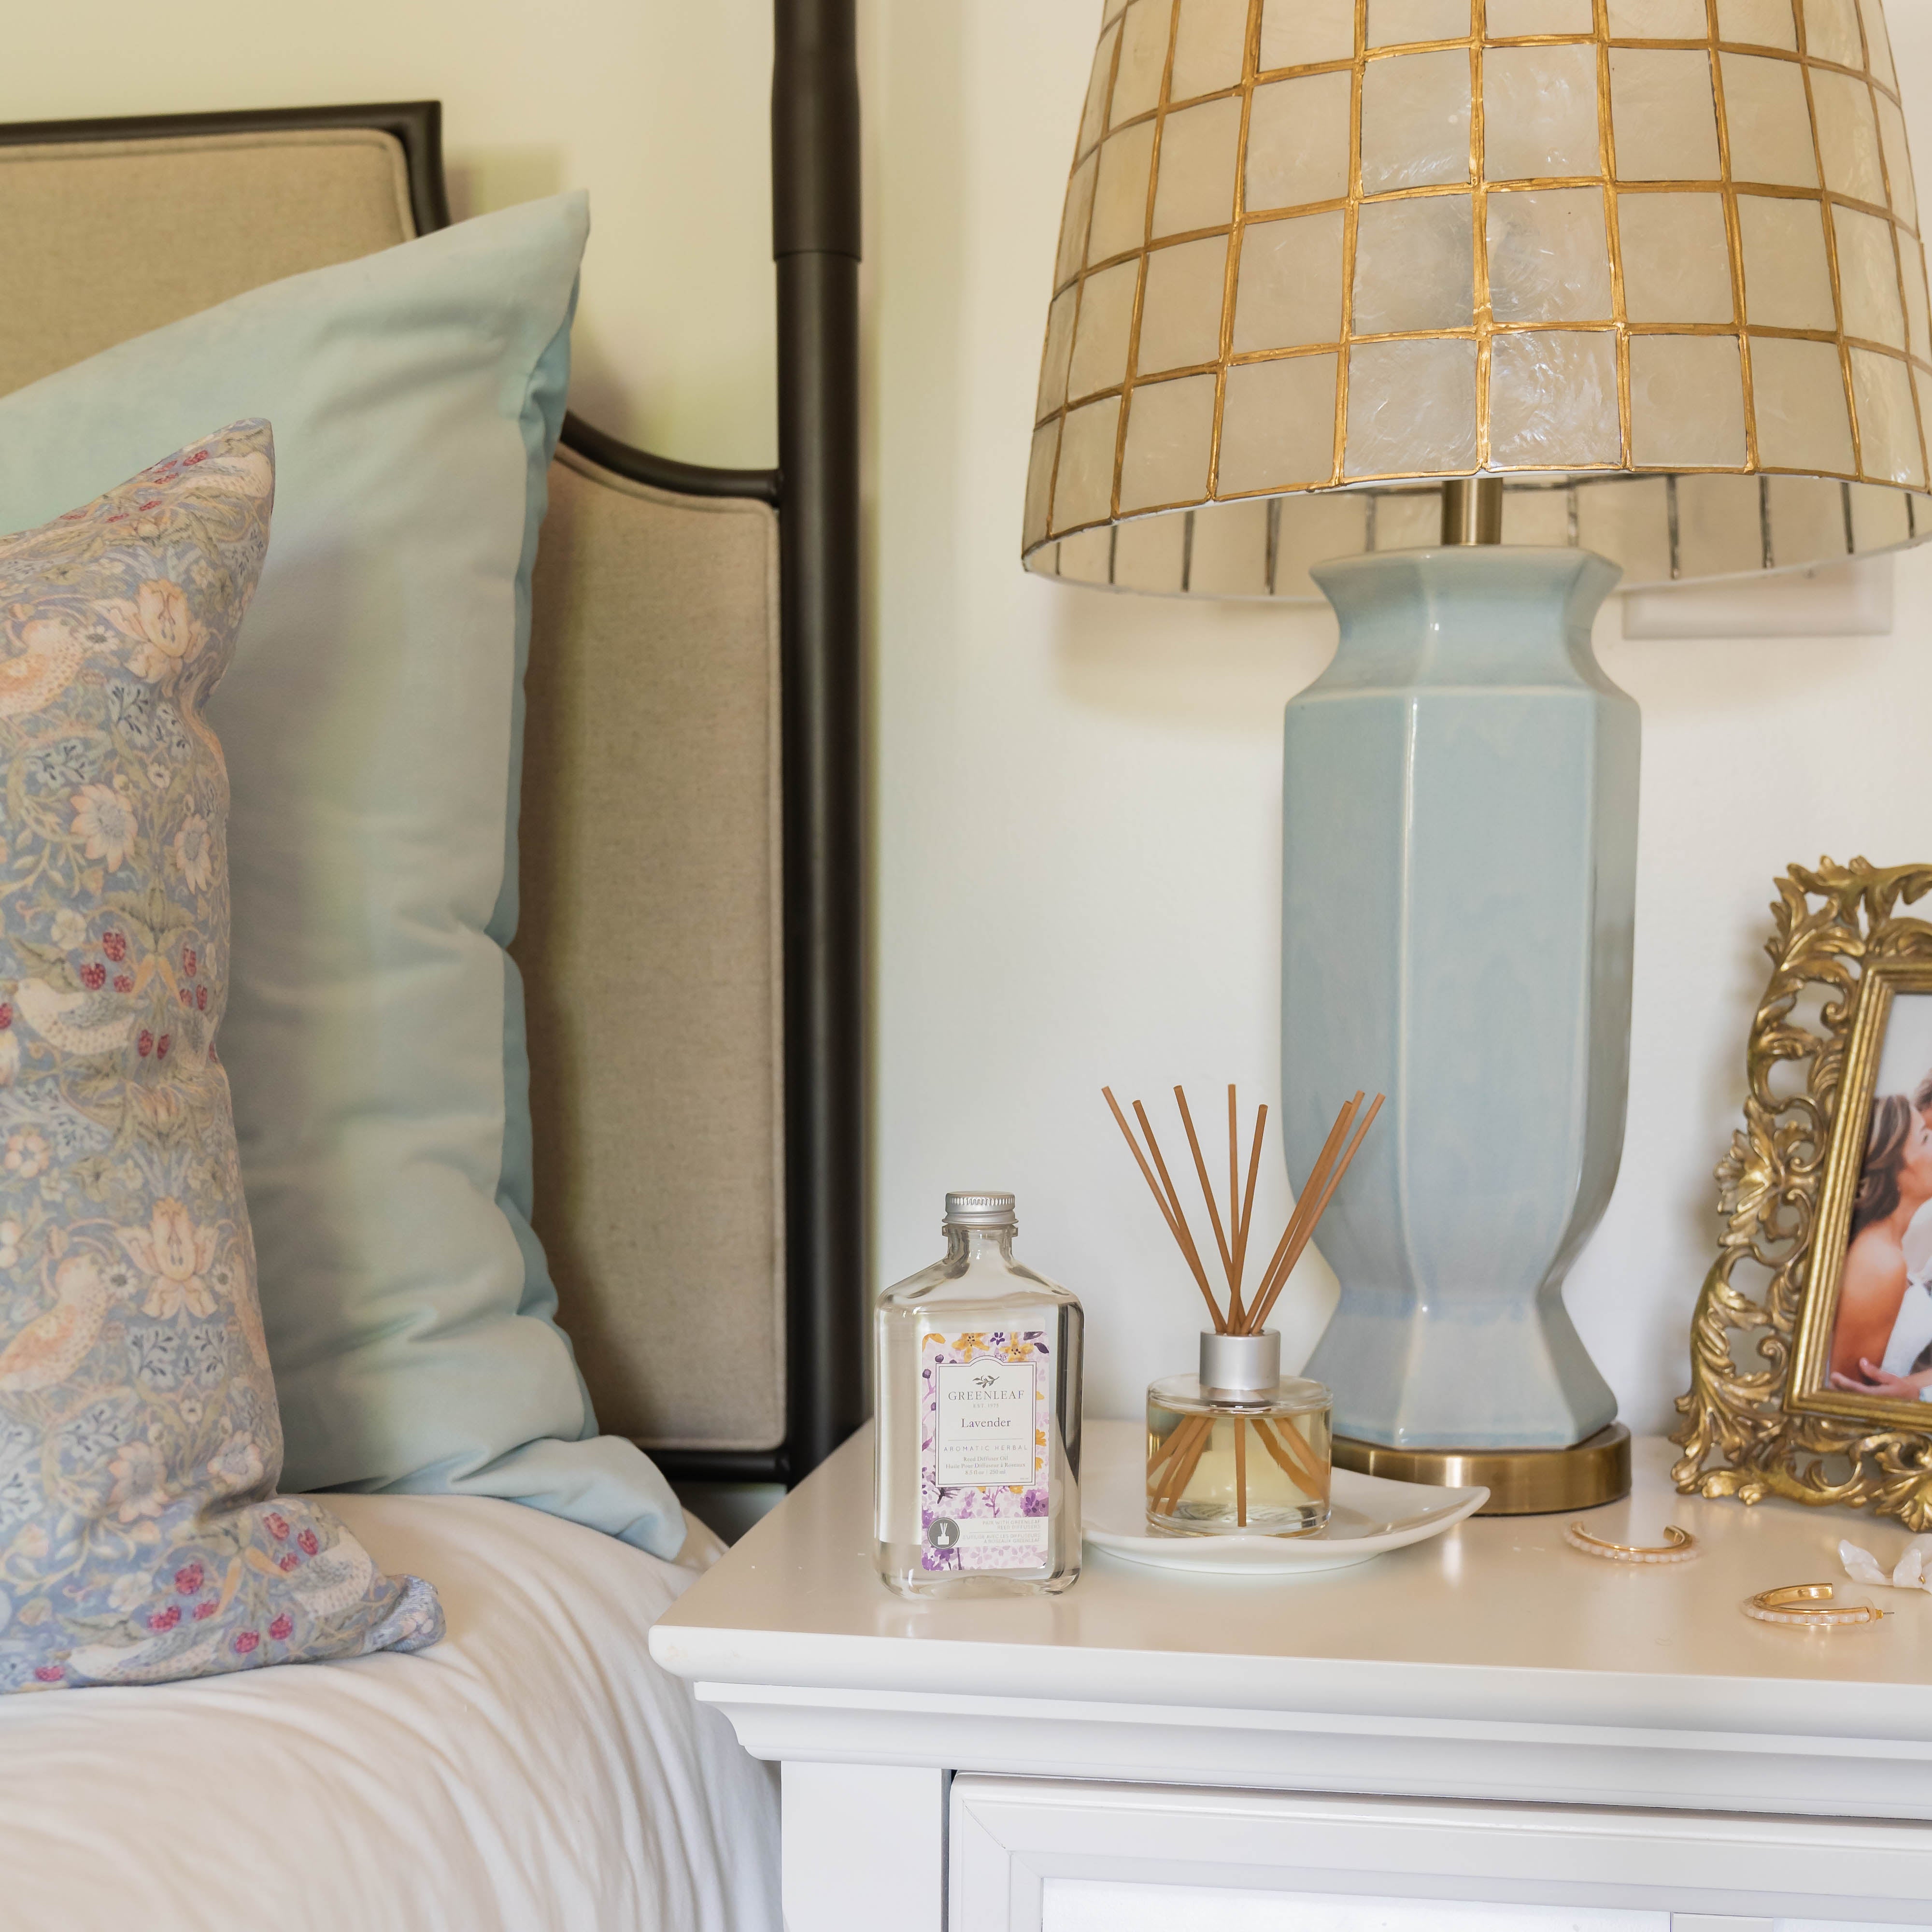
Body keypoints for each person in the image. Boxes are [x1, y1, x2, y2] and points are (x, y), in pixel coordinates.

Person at [1827, 1094, 1932, 1396]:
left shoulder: (1886, 1250)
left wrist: (1914, 1393)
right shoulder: (1880, 1264)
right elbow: (1846, 1402)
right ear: (1893, 1172)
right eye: (1925, 1138)